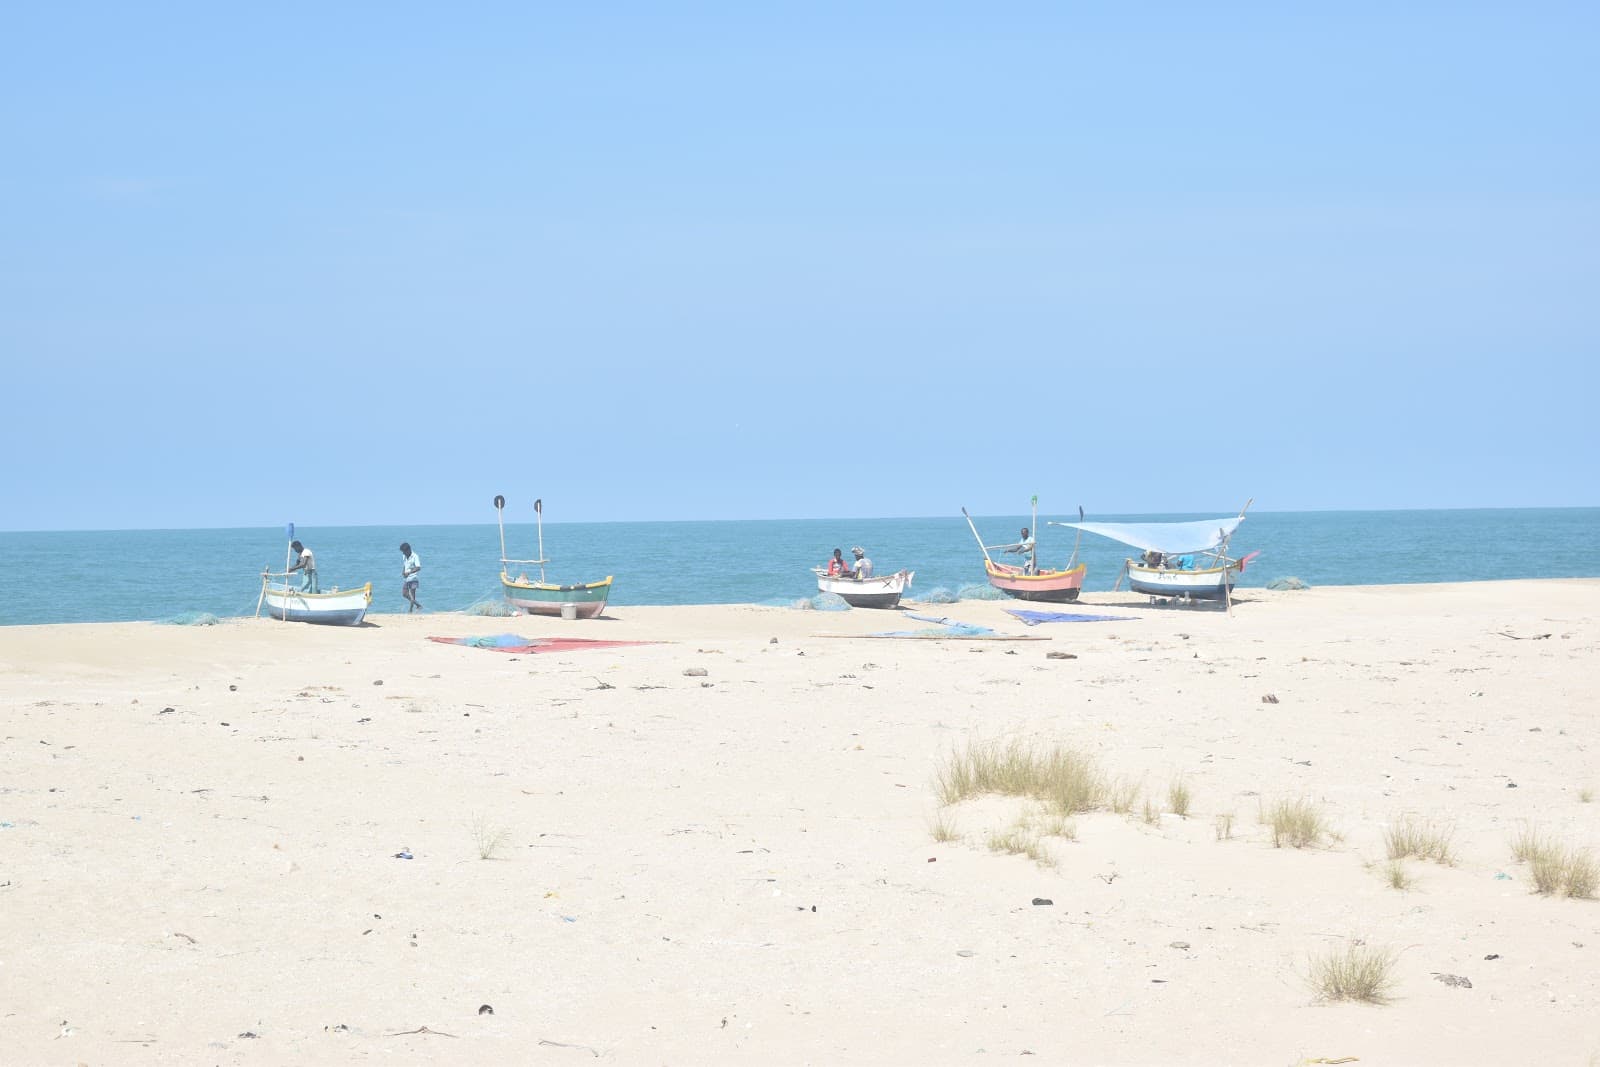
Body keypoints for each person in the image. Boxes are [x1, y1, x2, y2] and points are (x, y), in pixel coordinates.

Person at [400, 542, 423, 612]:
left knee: (412, 596)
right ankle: (418, 605)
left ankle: (410, 611)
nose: (403, 553)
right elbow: (405, 564)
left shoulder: (415, 556)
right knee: (404, 594)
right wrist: (403, 572)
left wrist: (409, 572)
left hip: (414, 578)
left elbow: (418, 567)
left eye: (404, 552)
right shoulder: (404, 556)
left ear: (408, 550)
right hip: (407, 578)